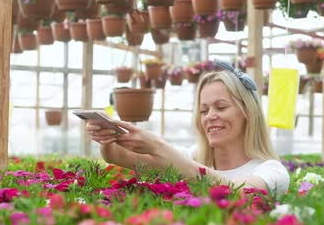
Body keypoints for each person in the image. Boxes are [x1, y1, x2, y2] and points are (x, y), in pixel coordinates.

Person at [86, 59, 290, 196]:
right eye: (203, 110)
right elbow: (119, 157)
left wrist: (160, 148)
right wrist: (107, 134)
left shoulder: (272, 171)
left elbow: (238, 194)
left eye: (221, 107)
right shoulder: (193, 157)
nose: (210, 116)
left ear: (248, 113)